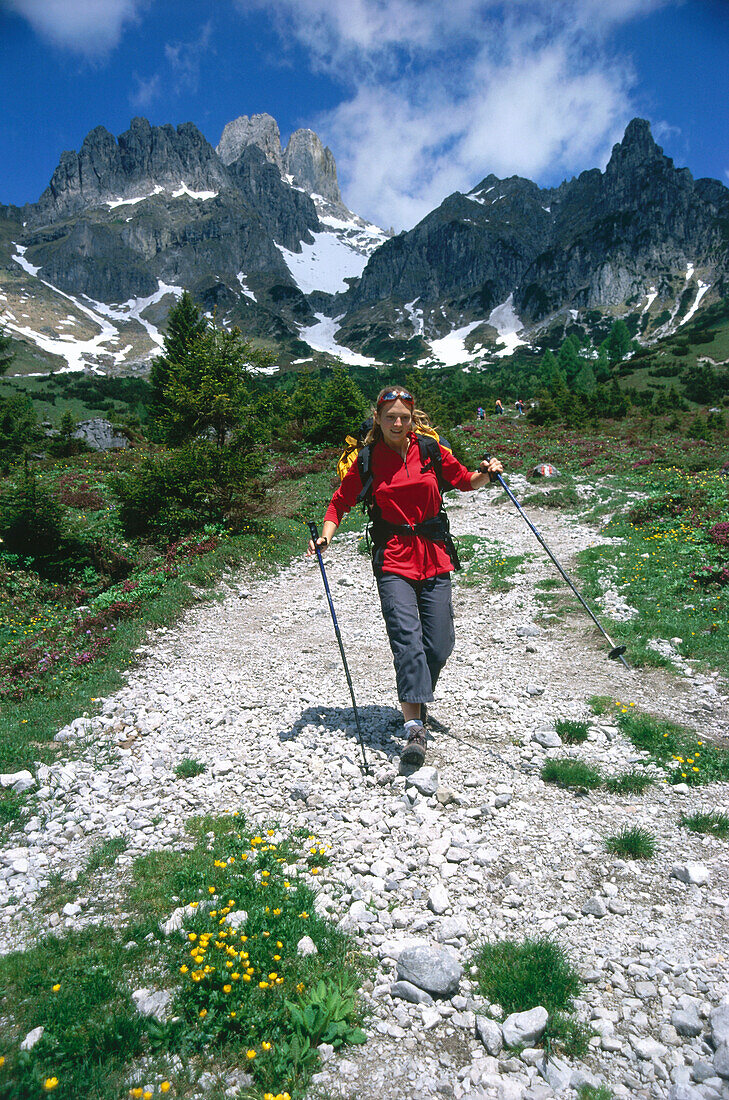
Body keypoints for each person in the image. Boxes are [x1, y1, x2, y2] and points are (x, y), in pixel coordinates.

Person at [307, 387, 503, 766]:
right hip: (393, 557)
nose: (398, 422)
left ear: (412, 419)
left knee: (441, 644)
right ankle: (414, 727)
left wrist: (488, 475)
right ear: (378, 419)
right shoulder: (367, 460)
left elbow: (463, 479)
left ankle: (416, 693)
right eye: (390, 417)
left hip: (433, 552)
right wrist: (325, 537)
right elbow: (340, 501)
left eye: (404, 417)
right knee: (407, 640)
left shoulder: (430, 450)